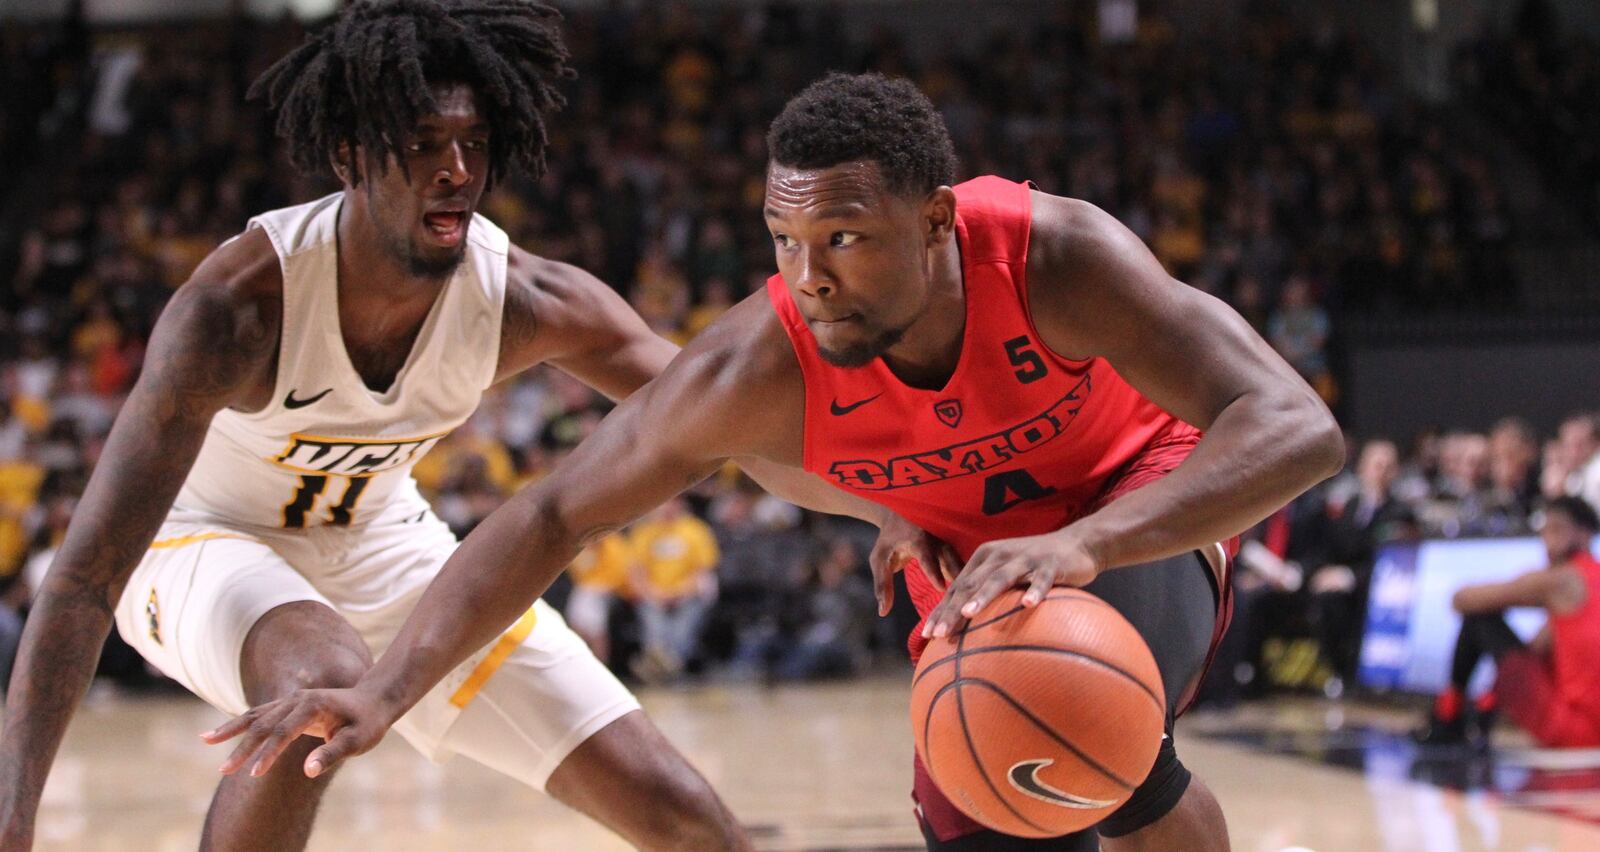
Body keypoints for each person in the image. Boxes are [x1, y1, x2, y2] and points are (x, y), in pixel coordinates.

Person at [210, 73, 1343, 851]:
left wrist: (1085, 542)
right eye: (784, 240)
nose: (810, 275)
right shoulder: (754, 364)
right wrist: (385, 687)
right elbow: (553, 515)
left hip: (1130, 495)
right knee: (996, 796)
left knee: (1092, 726)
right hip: (963, 550)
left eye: (844, 238)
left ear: (939, 220)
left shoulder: (1061, 257)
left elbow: (1295, 425)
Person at [0, 3, 847, 849]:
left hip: (383, 541)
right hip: (196, 543)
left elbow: (724, 419)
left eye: (473, 143)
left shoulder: (521, 298)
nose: (455, 170)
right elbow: (82, 577)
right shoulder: (238, 309)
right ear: (350, 156)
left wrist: (896, 512)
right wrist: (14, 806)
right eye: (419, 143)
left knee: (691, 822)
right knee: (318, 683)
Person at [1414, 496, 1600, 749]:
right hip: (1591, 729)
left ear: (1584, 534)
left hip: (1573, 731)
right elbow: (1542, 648)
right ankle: (1481, 714)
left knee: (1481, 619)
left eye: (1557, 529)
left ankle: (1450, 716)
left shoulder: (1562, 579)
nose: (1547, 540)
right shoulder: (1592, 579)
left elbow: (1462, 599)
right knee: (1536, 652)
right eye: (1544, 530)